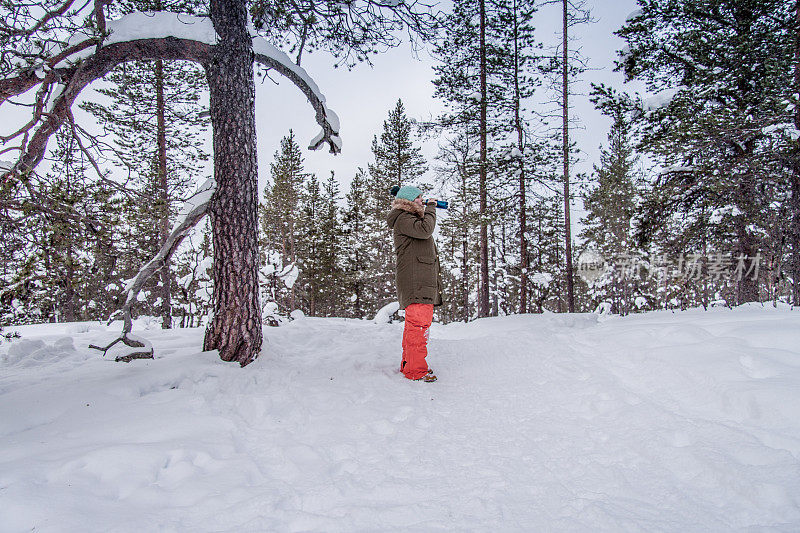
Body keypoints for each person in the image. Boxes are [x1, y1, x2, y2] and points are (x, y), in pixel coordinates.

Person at [386, 185, 443, 382]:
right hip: (415, 281)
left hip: (419, 281)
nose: (423, 201)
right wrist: (432, 209)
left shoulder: (408, 219)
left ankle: (409, 366)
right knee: (418, 327)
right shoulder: (404, 218)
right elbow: (426, 230)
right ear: (409, 201)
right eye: (419, 198)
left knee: (416, 327)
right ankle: (415, 371)